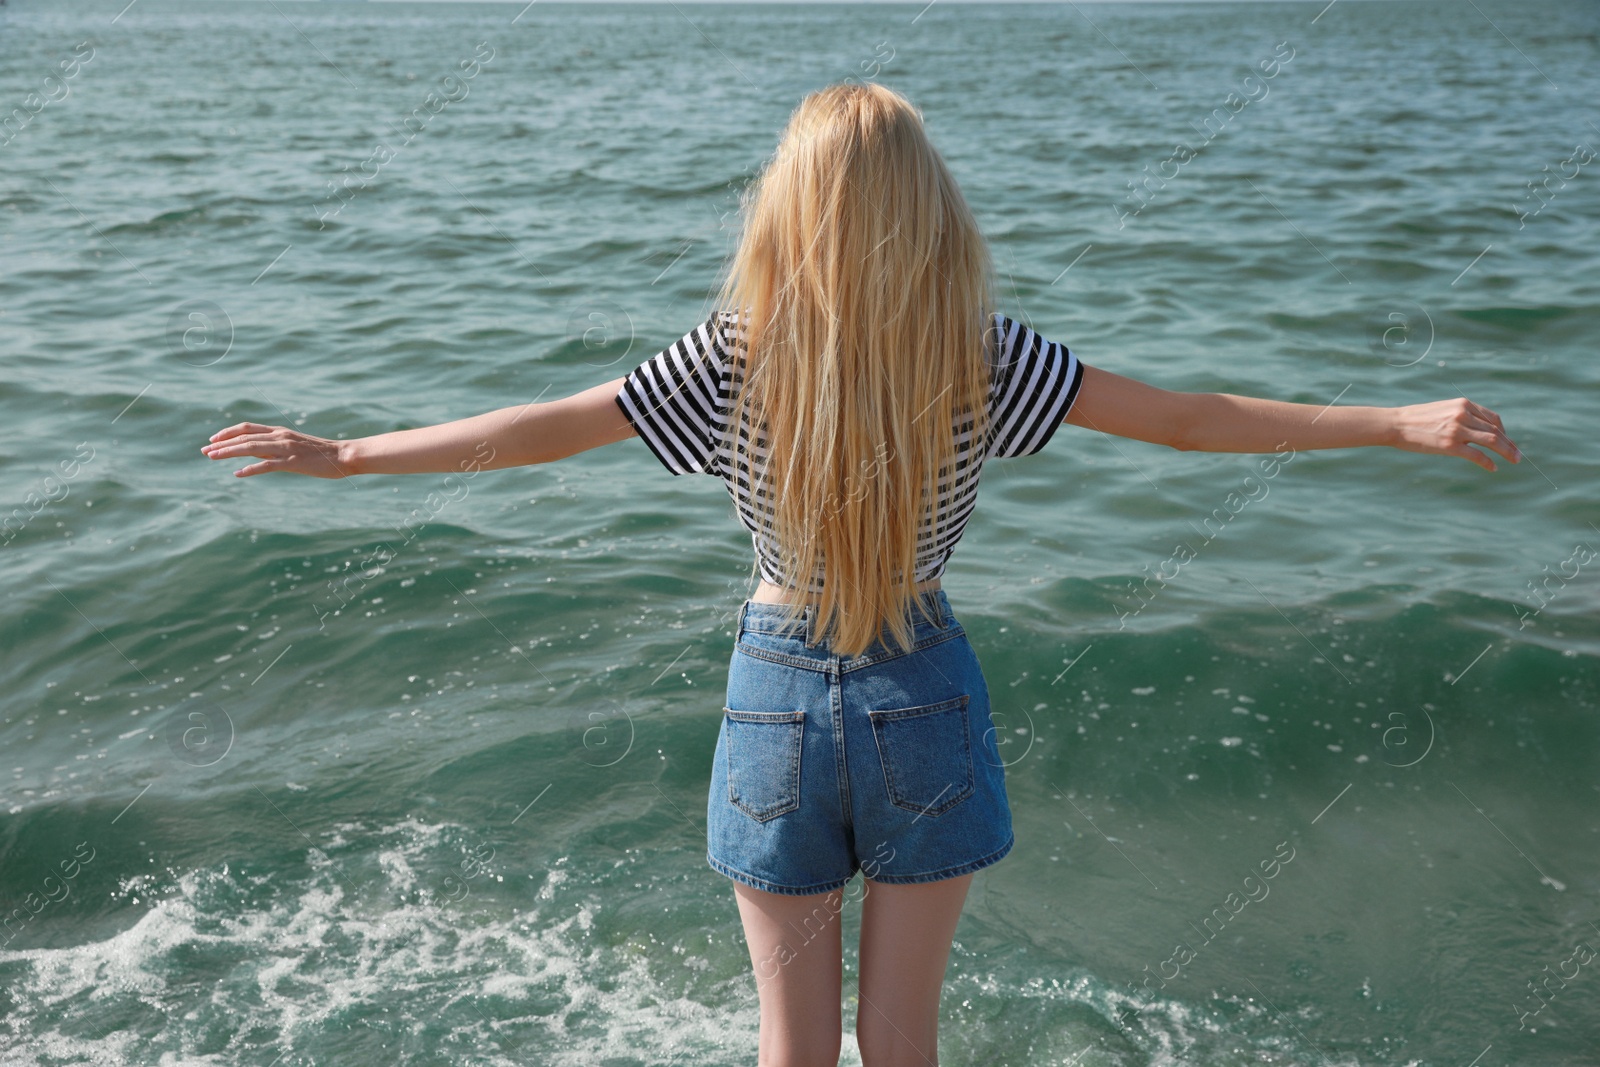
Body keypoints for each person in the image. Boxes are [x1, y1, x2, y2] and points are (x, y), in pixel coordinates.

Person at [203, 82, 1518, 1067]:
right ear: (929, 206)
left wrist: (351, 454)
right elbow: (1191, 420)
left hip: (774, 699)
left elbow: (542, 428)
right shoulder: (981, 353)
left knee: (794, 1051)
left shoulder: (733, 356)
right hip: (923, 693)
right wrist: (1390, 419)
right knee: (902, 1049)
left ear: (786, 208)